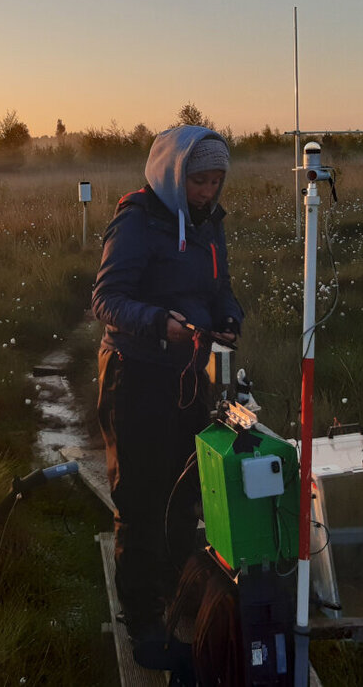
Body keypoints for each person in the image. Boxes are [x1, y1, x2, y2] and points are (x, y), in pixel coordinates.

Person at [92, 125, 243, 666]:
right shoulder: (137, 221)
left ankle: (180, 594)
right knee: (140, 500)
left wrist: (228, 317)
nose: (207, 191)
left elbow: (220, 287)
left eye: (216, 181)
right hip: (134, 375)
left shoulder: (209, 223)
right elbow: (106, 298)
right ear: (173, 175)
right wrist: (160, 323)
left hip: (188, 376)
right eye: (199, 181)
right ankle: (143, 624)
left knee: (185, 493)